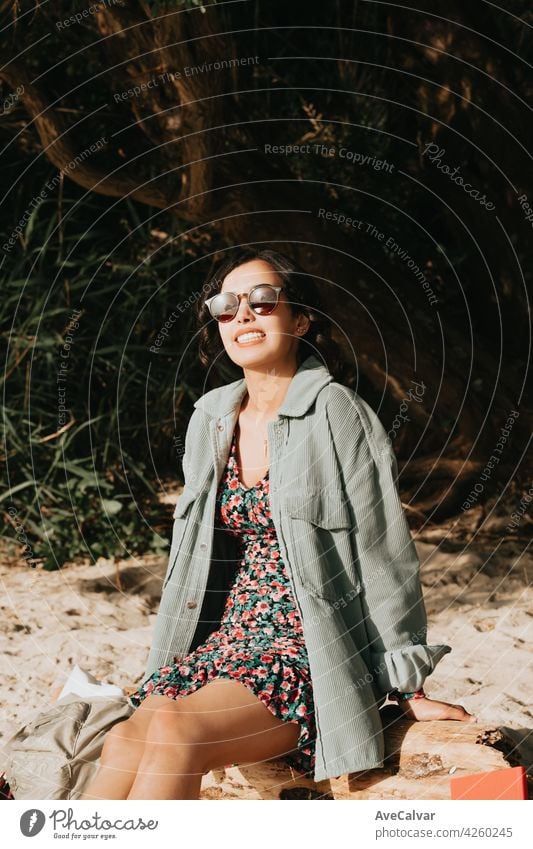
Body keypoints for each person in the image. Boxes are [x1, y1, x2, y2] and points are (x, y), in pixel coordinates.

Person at [82, 247, 476, 801]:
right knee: (127, 737)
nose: (243, 315)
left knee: (173, 732)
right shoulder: (210, 419)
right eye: (226, 306)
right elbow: (189, 566)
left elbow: (384, 553)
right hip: (223, 642)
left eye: (263, 301)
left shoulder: (337, 412)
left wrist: (407, 686)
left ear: (301, 320)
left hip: (305, 648)